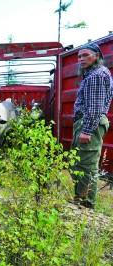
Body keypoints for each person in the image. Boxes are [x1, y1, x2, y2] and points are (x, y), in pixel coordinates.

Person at [70, 42, 113, 209]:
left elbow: (95, 107)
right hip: (88, 122)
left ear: (97, 56)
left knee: (86, 167)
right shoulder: (94, 74)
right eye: (79, 56)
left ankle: (85, 206)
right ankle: (81, 200)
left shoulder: (96, 75)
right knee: (80, 163)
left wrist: (87, 130)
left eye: (85, 55)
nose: (81, 59)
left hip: (89, 123)